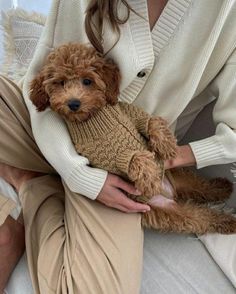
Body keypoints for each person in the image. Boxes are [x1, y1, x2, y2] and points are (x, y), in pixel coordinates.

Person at [0, 0, 236, 293]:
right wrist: (77, 174)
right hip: (49, 129)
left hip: (123, 176)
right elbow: (41, 90)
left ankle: (32, 183)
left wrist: (174, 157)